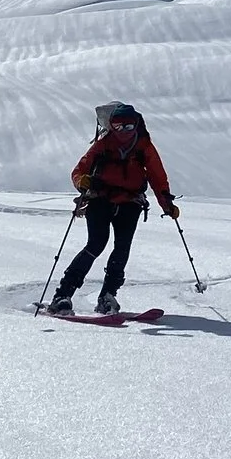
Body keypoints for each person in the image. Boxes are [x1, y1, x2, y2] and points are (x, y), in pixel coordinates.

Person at [49, 103, 179, 314]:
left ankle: (104, 296)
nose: (124, 131)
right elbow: (79, 170)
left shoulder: (143, 146)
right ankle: (64, 294)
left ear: (136, 124)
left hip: (129, 203)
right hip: (103, 199)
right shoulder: (105, 145)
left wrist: (167, 203)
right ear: (112, 125)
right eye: (119, 127)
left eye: (128, 127)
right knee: (96, 244)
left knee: (120, 247)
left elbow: (157, 177)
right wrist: (82, 181)